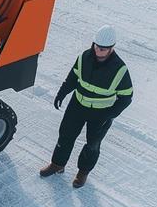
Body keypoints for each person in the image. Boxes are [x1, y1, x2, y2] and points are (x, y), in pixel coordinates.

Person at [40, 25, 133, 188]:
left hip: (101, 112)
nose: (99, 51)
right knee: (65, 135)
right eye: (97, 47)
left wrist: (110, 114)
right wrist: (62, 92)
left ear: (111, 48)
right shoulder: (84, 57)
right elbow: (73, 77)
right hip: (78, 105)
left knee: (92, 144)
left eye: (103, 49)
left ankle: (83, 172)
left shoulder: (120, 69)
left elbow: (126, 98)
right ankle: (57, 164)